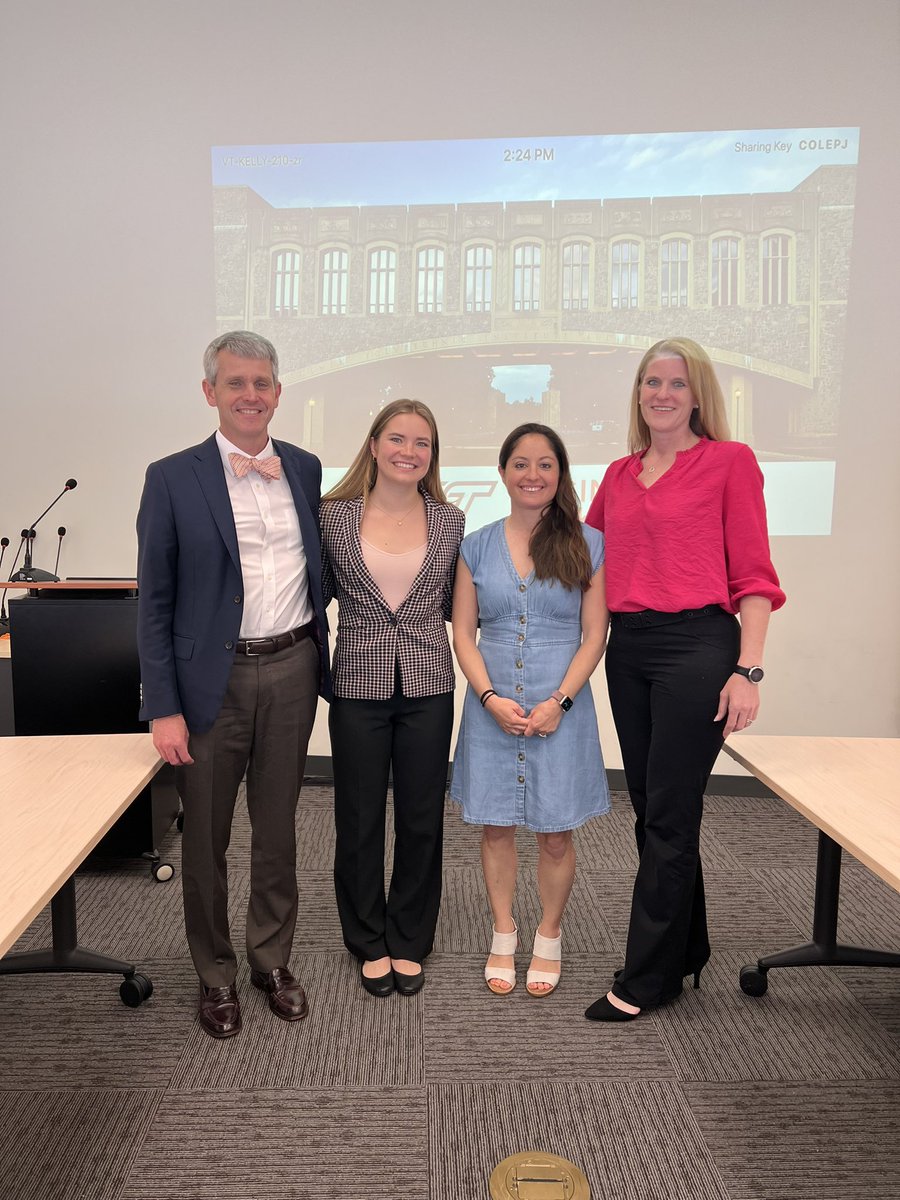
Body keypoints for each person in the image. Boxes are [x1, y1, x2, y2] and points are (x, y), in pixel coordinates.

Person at [583, 337, 785, 1022]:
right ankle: (686, 948)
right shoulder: (616, 476)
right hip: (629, 649)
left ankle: (648, 979)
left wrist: (746, 670)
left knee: (670, 814)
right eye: (650, 382)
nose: (661, 394)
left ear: (698, 395)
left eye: (675, 383)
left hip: (698, 647)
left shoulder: (729, 463)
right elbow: (585, 565)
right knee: (653, 810)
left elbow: (754, 576)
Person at [136, 330, 331, 1039]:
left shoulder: (305, 469)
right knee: (206, 840)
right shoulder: (172, 476)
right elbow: (153, 602)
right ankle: (215, 973)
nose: (251, 395)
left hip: (291, 668)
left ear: (278, 393)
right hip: (205, 684)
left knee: (278, 830)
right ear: (210, 391)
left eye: (262, 383)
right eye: (236, 382)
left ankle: (270, 959)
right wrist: (163, 707)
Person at [451, 424, 610, 997]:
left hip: (560, 705)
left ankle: (549, 934)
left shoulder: (588, 543)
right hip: (491, 704)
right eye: (521, 463)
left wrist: (559, 702)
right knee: (495, 825)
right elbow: (464, 635)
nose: (533, 475)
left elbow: (594, 635)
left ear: (560, 474)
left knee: (555, 833)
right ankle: (502, 931)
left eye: (545, 465)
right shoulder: (476, 545)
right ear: (502, 472)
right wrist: (490, 698)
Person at [320, 399, 464, 997]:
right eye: (398, 439)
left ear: (432, 454)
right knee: (357, 818)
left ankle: (409, 937)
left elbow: (465, 608)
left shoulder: (451, 521)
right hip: (357, 683)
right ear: (374, 444)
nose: (409, 451)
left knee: (421, 817)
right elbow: (312, 600)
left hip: (429, 686)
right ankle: (366, 938)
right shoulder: (332, 517)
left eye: (422, 443)